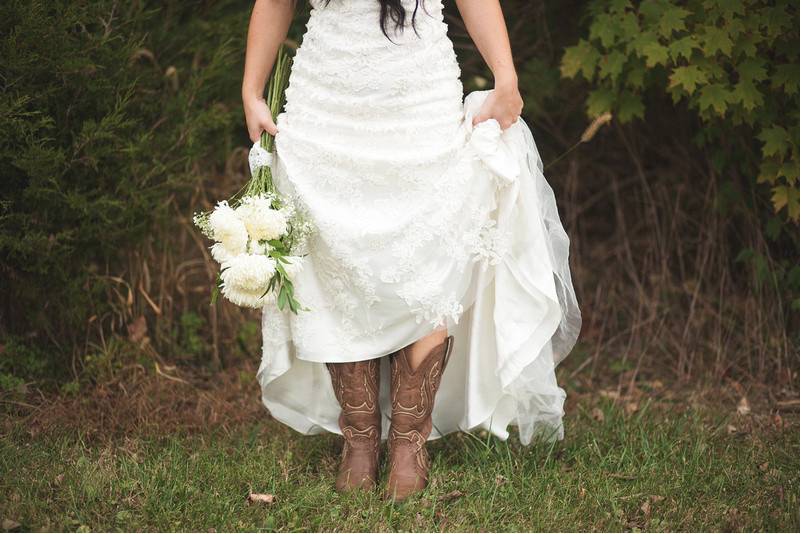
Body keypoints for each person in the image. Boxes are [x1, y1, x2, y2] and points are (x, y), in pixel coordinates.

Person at [242, 0, 581, 501]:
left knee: (426, 258)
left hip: (418, 95)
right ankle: (359, 440)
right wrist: (251, 90)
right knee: (336, 256)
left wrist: (505, 76)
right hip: (327, 97)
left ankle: (407, 442)